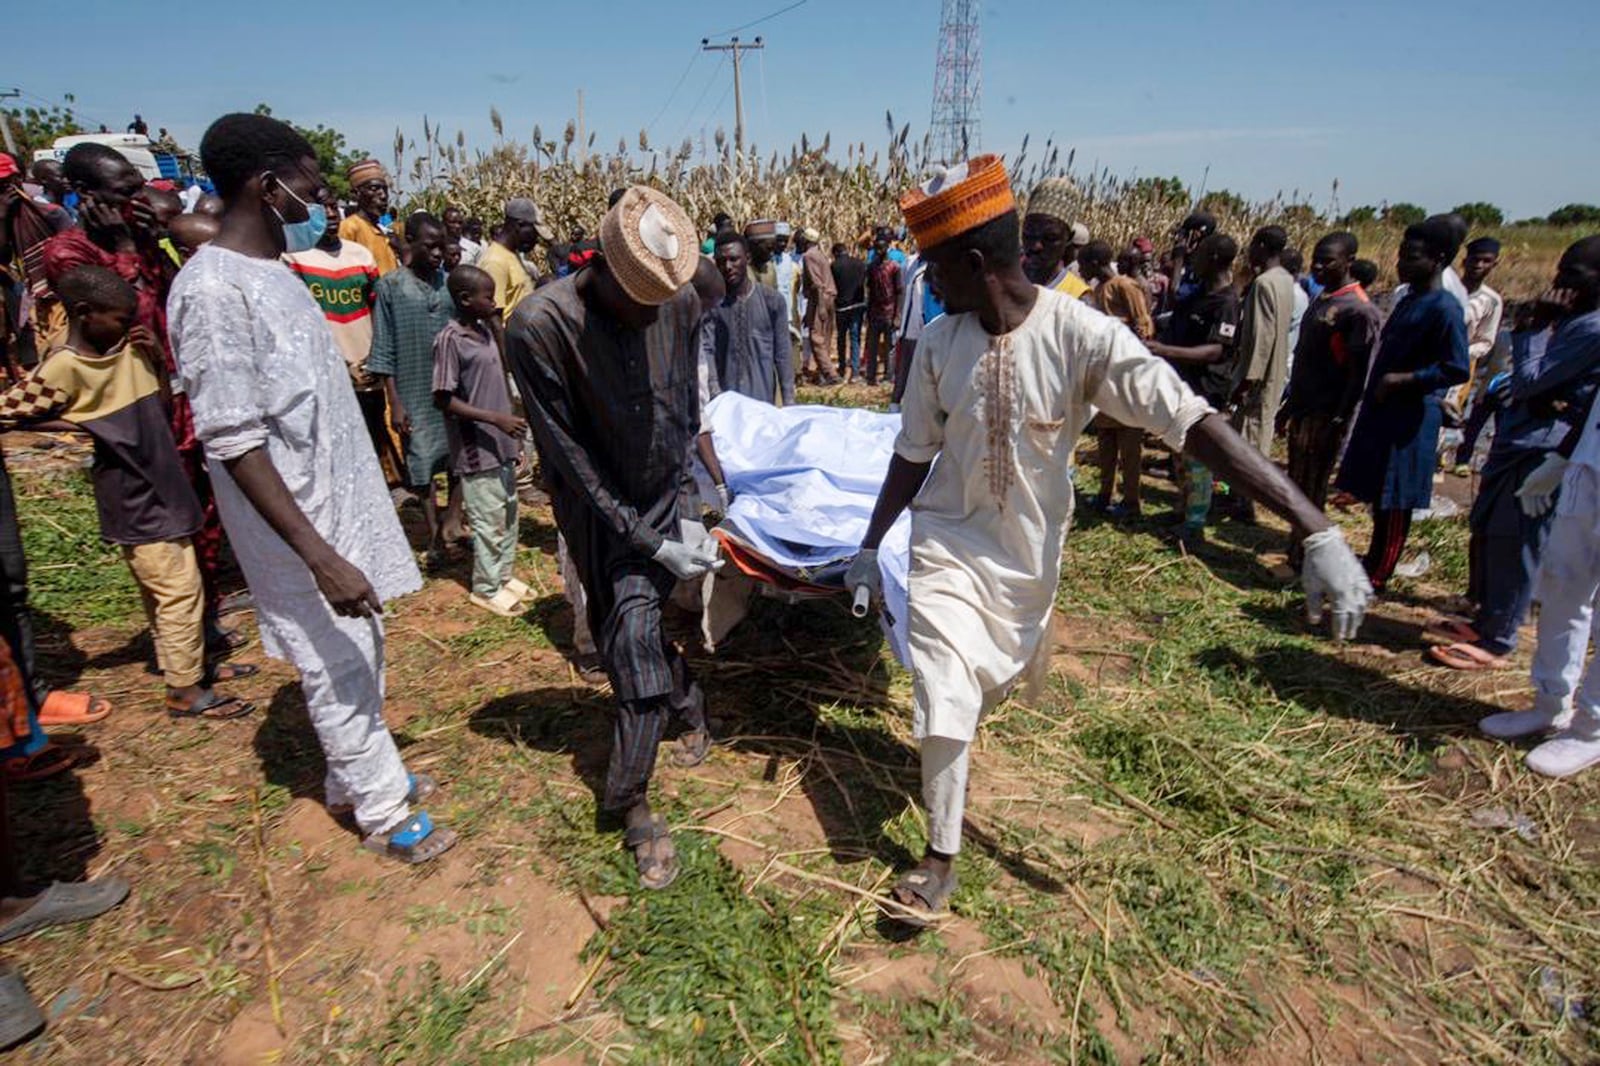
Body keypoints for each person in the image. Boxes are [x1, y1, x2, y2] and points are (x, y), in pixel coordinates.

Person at [844, 155, 1370, 924]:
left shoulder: (1085, 336)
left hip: (1026, 560)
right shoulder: (937, 344)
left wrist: (1315, 526)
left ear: (975, 262)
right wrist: (869, 545)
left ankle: (948, 775)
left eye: (934, 266)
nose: (929, 281)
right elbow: (911, 457)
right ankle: (941, 855)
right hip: (948, 544)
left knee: (972, 693)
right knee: (943, 690)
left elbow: (1194, 425)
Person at [168, 112, 455, 862]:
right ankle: (386, 812)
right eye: (310, 189)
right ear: (267, 188)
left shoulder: (275, 276)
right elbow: (233, 439)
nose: (323, 205)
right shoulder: (212, 292)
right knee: (336, 657)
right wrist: (317, 555)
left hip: (337, 503)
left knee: (364, 642)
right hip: (296, 522)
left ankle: (352, 777)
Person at [505, 185, 720, 889]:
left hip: (664, 497)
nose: (654, 313)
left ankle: (674, 726)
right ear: (601, 271)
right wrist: (643, 537)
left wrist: (686, 503)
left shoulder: (678, 300)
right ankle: (635, 800)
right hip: (600, 513)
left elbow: (684, 405)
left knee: (640, 637)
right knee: (628, 640)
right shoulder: (539, 326)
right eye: (641, 303)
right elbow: (568, 457)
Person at [0, 265, 255, 718]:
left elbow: (160, 405)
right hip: (134, 497)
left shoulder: (130, 352)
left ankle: (185, 666)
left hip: (165, 486)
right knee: (178, 591)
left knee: (170, 588)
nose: (128, 326)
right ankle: (185, 690)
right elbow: (10, 410)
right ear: (84, 313)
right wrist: (80, 423)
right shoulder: (64, 367)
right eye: (119, 318)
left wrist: (155, 359)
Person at [42, 143, 237, 655]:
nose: (139, 200)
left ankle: (206, 624)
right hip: (136, 413)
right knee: (165, 532)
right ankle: (180, 640)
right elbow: (127, 319)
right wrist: (128, 249)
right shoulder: (70, 254)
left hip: (180, 400)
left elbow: (175, 310)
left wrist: (151, 246)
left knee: (204, 516)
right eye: (125, 192)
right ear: (88, 195)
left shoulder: (148, 243)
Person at [1429, 239, 1600, 671]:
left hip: (1542, 450)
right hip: (1519, 438)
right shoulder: (1573, 321)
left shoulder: (1590, 329)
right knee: (1488, 526)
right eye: (1561, 269)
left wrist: (1534, 330)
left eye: (1574, 274)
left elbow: (1530, 380)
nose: (1560, 282)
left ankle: (1500, 637)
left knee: (1517, 540)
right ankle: (1487, 615)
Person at [1335, 218, 1470, 592]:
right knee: (1380, 496)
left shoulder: (1444, 308)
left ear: (1438, 259)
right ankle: (1373, 558)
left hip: (1410, 416)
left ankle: (1380, 573)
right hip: (1386, 412)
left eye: (1411, 257)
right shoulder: (1411, 299)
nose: (1400, 264)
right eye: (1401, 255)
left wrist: (1405, 380)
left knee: (1396, 500)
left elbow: (1457, 366)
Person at [282, 192, 404, 487]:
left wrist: (378, 353)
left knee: (374, 424)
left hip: (366, 361)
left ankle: (384, 485)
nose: (331, 214)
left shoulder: (360, 255)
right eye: (322, 208)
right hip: (327, 365)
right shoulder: (294, 258)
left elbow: (375, 307)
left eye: (333, 207)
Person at [433, 265, 530, 616]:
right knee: (488, 522)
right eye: (487, 296)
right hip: (477, 448)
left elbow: (505, 369)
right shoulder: (450, 339)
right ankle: (486, 587)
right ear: (464, 299)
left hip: (502, 443)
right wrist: (496, 419)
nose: (493, 301)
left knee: (508, 514)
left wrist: (496, 325)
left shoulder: (485, 332)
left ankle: (503, 576)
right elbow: (443, 399)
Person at [1279, 232, 1380, 567]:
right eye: (1316, 259)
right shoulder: (1323, 299)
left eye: (1328, 260)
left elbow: (1356, 374)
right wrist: (1289, 407)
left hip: (1325, 414)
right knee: (1298, 484)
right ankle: (1296, 549)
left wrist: (1339, 418)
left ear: (1348, 261)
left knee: (1313, 489)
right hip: (1304, 409)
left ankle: (1307, 558)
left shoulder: (1357, 311)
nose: (1318, 266)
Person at [367, 213, 457, 564]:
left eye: (441, 246)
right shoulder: (390, 287)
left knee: (457, 458)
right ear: (411, 243)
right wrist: (395, 400)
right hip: (412, 386)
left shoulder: (449, 284)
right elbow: (384, 345)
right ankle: (434, 536)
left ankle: (452, 524)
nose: (437, 253)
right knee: (421, 461)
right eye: (430, 246)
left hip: (450, 387)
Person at [1146, 234, 1242, 548]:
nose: (1192, 260)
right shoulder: (1199, 293)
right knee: (1178, 452)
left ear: (1214, 257)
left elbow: (1216, 351)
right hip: (1183, 385)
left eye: (1197, 255)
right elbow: (1175, 297)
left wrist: (1165, 351)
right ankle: (1182, 508)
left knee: (1197, 459)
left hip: (1206, 391)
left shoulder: (1227, 302)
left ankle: (1195, 523)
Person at [1080, 240, 1154, 516]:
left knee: (1129, 442)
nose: (1082, 268)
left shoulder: (1125, 286)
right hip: (1104, 376)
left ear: (1096, 263)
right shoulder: (1099, 290)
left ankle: (1131, 500)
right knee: (1106, 436)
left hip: (1125, 375)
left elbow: (1143, 325)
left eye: (1085, 263)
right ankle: (1104, 492)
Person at [1230, 226, 1297, 497]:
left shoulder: (1264, 283)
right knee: (1260, 432)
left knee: (1249, 436)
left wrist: (1246, 380)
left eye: (1252, 246)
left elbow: (1261, 336)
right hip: (1276, 370)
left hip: (1259, 376)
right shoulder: (1285, 279)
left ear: (1261, 246)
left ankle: (1244, 498)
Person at [707, 232, 794, 405]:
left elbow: (783, 354)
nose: (728, 266)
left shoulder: (772, 301)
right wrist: (715, 392)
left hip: (762, 403)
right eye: (721, 262)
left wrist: (789, 401)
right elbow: (707, 349)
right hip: (726, 405)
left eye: (734, 259)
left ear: (747, 258)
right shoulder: (712, 306)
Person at [1446, 237, 1506, 468]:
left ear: (1494, 265)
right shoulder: (1447, 290)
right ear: (1464, 261)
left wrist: (1461, 351)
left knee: (1447, 414)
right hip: (1429, 360)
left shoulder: (1491, 301)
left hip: (1459, 366)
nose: (1479, 265)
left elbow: (1486, 341)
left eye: (1486, 261)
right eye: (1475, 259)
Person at [478, 198, 550, 322]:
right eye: (534, 233)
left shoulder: (512, 254)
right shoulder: (495, 261)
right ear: (519, 225)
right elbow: (494, 319)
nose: (536, 239)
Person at [1020, 179, 1090, 299]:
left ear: (1069, 238)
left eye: (1050, 238)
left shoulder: (1077, 298)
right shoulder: (1000, 284)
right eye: (1029, 234)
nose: (1036, 246)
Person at [795, 227, 840, 385]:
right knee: (825, 337)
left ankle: (830, 373)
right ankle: (822, 374)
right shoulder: (820, 254)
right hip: (828, 297)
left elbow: (817, 284)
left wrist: (819, 307)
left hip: (821, 298)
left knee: (816, 338)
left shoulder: (809, 256)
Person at [337, 160, 398, 275]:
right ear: (356, 194)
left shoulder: (382, 230)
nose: (383, 196)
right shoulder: (349, 227)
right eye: (374, 189)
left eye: (384, 189)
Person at [864, 227, 904, 386]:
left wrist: (898, 315)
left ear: (887, 248)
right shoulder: (872, 267)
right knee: (872, 346)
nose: (879, 251)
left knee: (890, 346)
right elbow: (870, 290)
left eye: (881, 248)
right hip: (875, 312)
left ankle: (889, 375)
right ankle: (871, 376)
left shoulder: (894, 267)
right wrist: (868, 313)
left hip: (890, 311)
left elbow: (899, 292)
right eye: (876, 248)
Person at [1163, 210, 1218, 312]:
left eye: (1186, 234)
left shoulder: (1204, 267)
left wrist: (1179, 258)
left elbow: (1175, 294)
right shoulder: (1190, 258)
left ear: (1197, 234)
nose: (1179, 238)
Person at [831, 241, 867, 380]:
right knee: (855, 338)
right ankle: (855, 371)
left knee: (841, 338)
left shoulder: (834, 266)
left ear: (835, 253)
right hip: (857, 305)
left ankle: (841, 368)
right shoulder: (859, 264)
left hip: (842, 307)